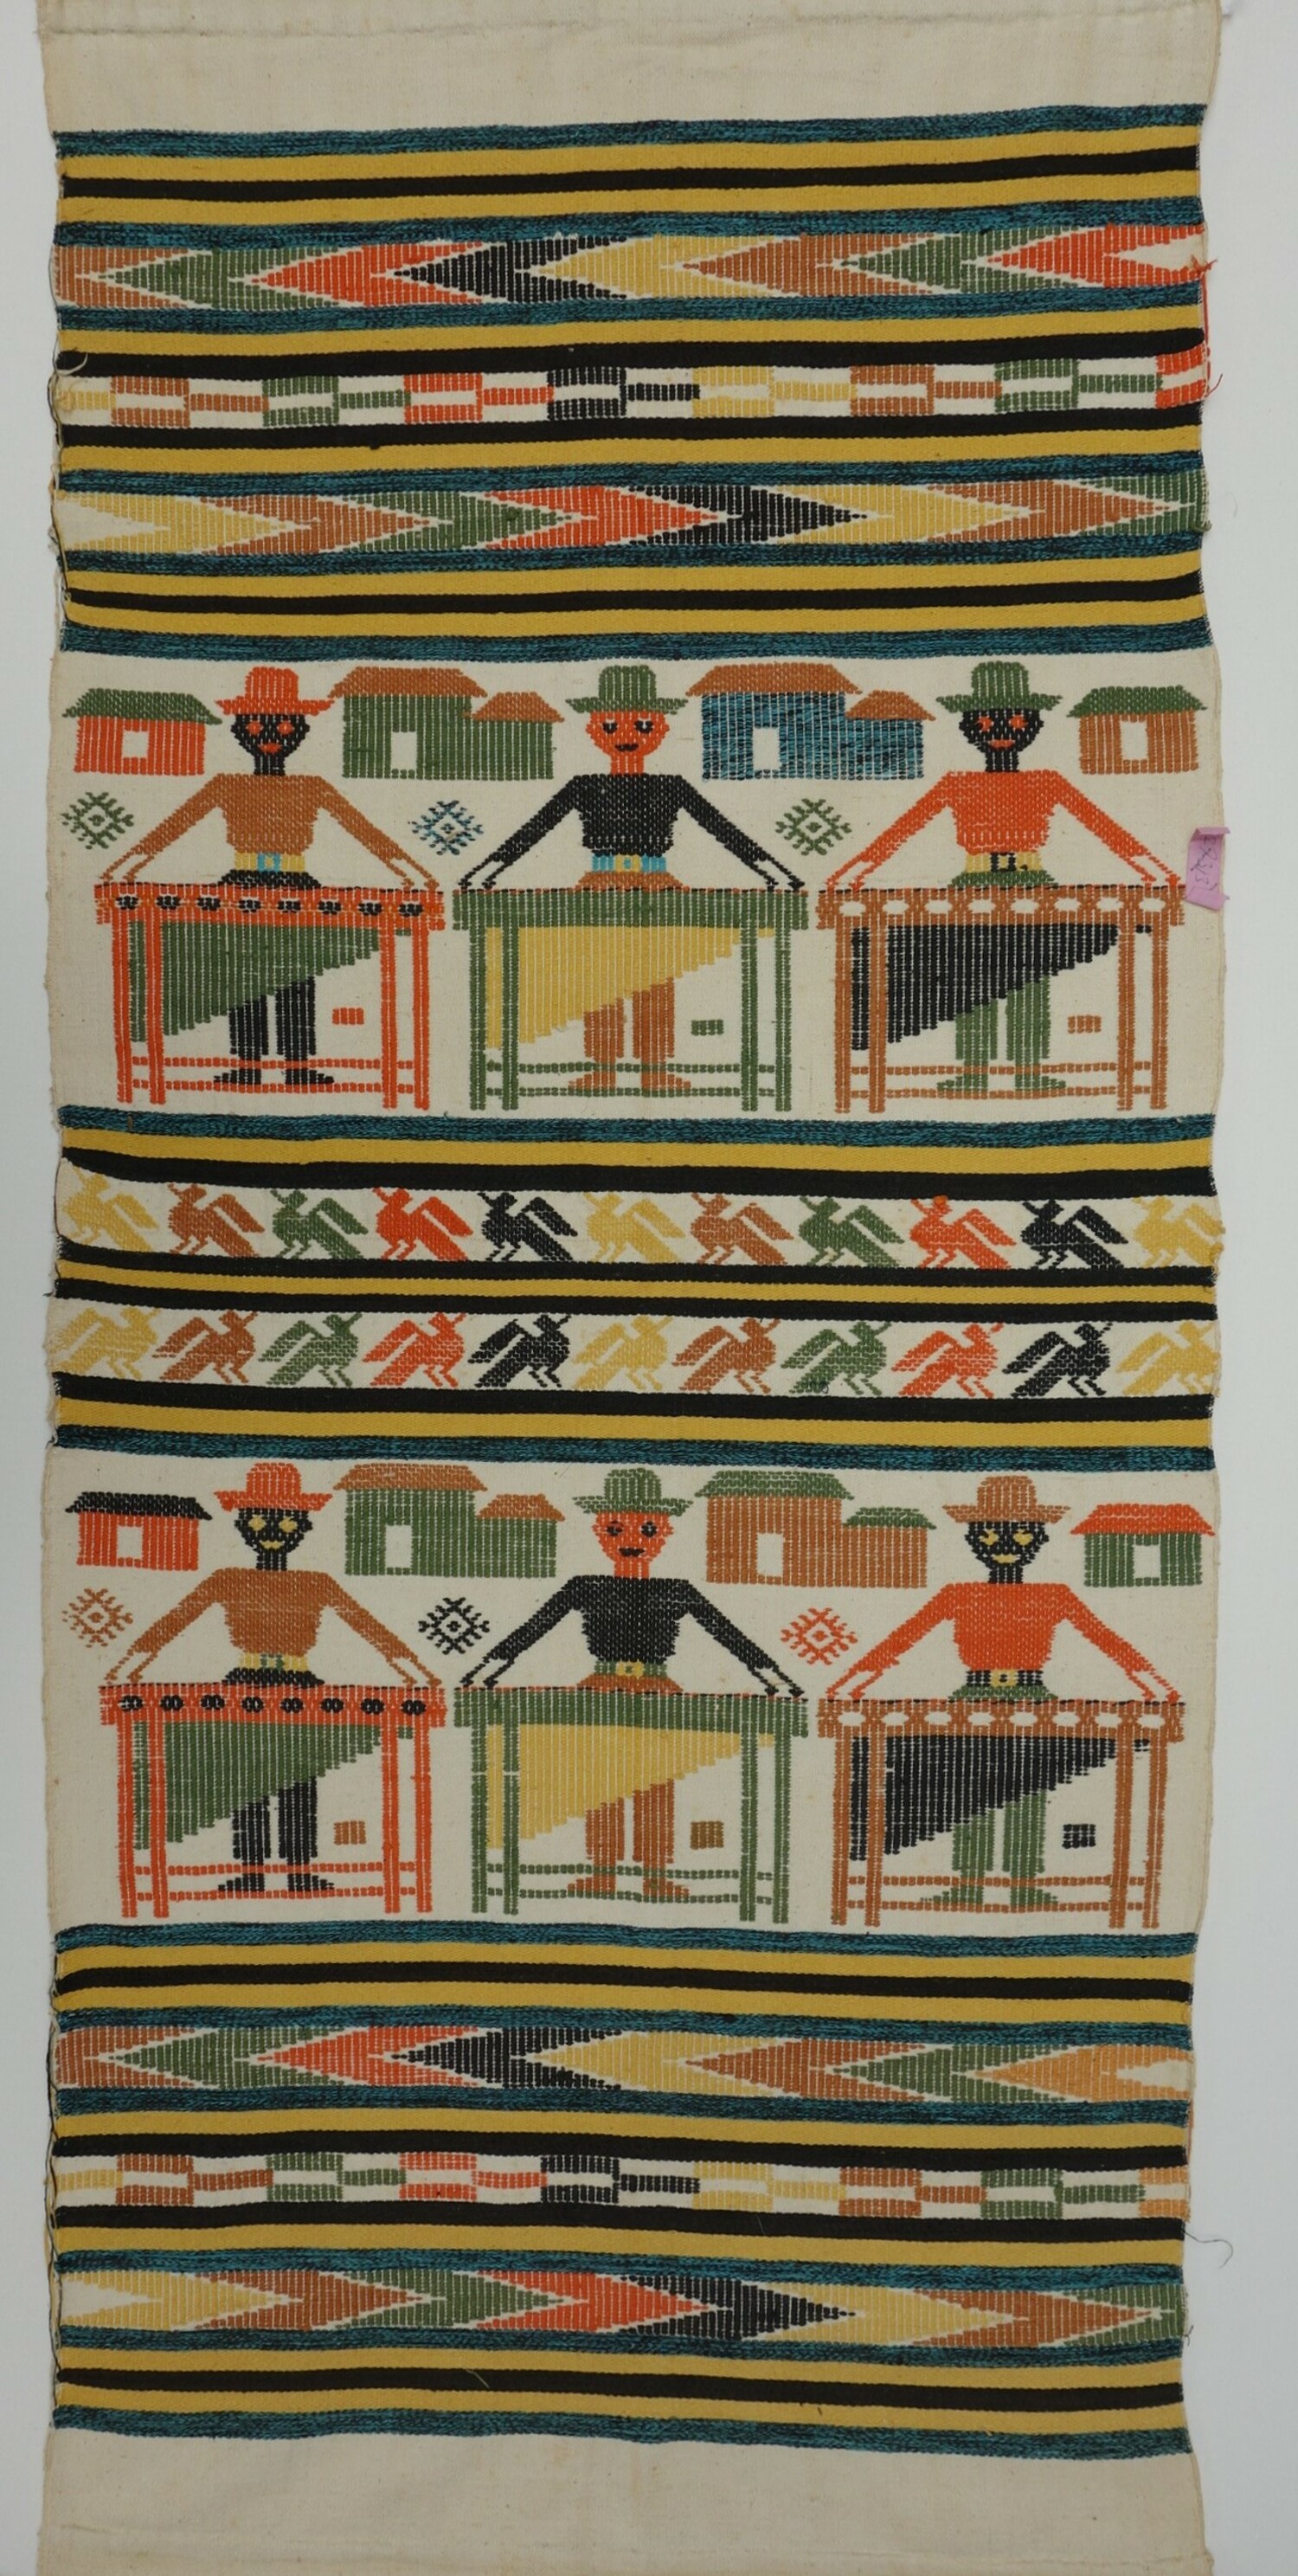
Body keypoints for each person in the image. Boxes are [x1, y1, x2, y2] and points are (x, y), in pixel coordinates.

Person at [824, 660, 1176, 1097]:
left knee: (1031, 984)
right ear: (969, 729)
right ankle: (974, 1071)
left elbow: (1105, 829)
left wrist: (1155, 873)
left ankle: (1028, 1069)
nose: (1001, 730)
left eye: (1017, 720)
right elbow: (900, 833)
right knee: (967, 980)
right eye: (986, 721)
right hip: (971, 888)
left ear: (1034, 726)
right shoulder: (957, 785)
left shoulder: (1047, 783)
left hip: (1035, 886)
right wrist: (850, 876)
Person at [827, 1472, 1176, 1909]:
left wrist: (1153, 1686)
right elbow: (901, 1641)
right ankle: (969, 1882)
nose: (1005, 1543)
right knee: (964, 1788)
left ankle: (1023, 1882)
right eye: (990, 1533)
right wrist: (850, 1685)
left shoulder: (1054, 1596)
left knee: (1029, 1794)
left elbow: (1107, 1641)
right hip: (971, 1699)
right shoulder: (958, 1595)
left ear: (1039, 1540)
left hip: (1034, 1699)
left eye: (1022, 1533)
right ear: (973, 1539)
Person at [464, 1466, 802, 1899]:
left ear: (664, 1532)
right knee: (599, 1784)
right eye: (615, 1528)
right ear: (599, 1531)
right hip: (599, 1690)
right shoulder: (585, 1587)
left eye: (647, 1529)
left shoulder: (676, 1591)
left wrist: (776, 1681)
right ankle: (603, 1873)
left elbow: (729, 1636)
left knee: (656, 1785)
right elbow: (533, 1629)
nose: (631, 1539)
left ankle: (655, 1876)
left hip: (659, 1692)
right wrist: (485, 1673)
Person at [462, 664, 800, 1094]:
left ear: (660, 729)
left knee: (656, 979)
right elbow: (533, 831)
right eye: (611, 725)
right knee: (598, 980)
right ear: (594, 730)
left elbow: (723, 830)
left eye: (642, 725)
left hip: (658, 886)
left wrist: (773, 872)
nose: (627, 735)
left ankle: (653, 1069)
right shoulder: (584, 786)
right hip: (598, 886)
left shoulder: (671, 786)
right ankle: (602, 1068)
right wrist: (487, 871)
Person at [106, 1461, 435, 1894]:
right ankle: (252, 1873)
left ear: (303, 1528)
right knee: (246, 1785)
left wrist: (415, 1673)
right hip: (243, 1684)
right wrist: (128, 1669)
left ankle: (299, 1873)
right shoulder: (228, 1580)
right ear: (244, 1526)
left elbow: (369, 1628)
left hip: (302, 1687)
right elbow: (173, 1623)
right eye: (260, 1520)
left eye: (287, 1521)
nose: (273, 1530)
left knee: (300, 1785)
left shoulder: (316, 1583)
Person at [115, 665, 427, 1087]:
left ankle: (297, 1067)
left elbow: (364, 831)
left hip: (297, 888)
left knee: (297, 979)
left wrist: (410, 872)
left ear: (300, 732)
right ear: (239, 731)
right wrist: (128, 867)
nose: (270, 735)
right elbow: (174, 826)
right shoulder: (227, 785)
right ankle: (249, 1066)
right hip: (241, 886)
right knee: (242, 981)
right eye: (256, 725)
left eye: (283, 725)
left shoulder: (311, 787)